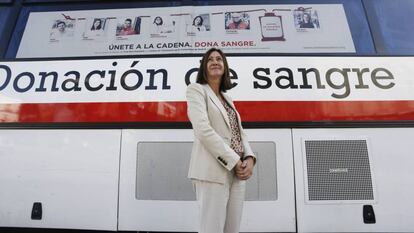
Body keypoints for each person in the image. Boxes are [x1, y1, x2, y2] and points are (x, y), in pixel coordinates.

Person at [186, 48, 256, 233]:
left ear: (225, 66)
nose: (215, 62)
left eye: (219, 59)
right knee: (212, 229)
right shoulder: (196, 90)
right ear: (204, 66)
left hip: (237, 173)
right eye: (210, 60)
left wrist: (249, 158)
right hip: (213, 172)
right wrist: (234, 160)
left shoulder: (227, 98)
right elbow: (202, 130)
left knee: (232, 230)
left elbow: (239, 133)